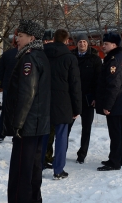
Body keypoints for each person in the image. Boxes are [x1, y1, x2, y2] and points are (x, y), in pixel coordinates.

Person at [3, 20, 51, 203]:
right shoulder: (40, 56)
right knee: (33, 170)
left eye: (21, 36)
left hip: (28, 126)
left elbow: (26, 94)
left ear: (31, 38)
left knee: (21, 172)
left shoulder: (29, 59)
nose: (17, 40)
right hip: (38, 124)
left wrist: (17, 124)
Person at [42, 28, 81, 180]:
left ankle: (40, 163)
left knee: (44, 134)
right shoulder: (69, 58)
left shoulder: (42, 54)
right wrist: (77, 107)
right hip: (63, 103)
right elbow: (75, 84)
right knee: (61, 136)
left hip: (44, 100)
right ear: (66, 41)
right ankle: (58, 169)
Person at [96, 32, 122, 171]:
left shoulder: (115, 60)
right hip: (117, 103)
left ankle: (115, 162)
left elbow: (114, 85)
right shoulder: (117, 57)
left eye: (106, 44)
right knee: (115, 133)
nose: (103, 46)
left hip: (115, 104)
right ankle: (114, 158)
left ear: (114, 45)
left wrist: (108, 105)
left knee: (115, 134)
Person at [68, 33, 102, 164]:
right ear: (76, 43)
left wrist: (95, 97)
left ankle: (82, 154)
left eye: (84, 42)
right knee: (67, 127)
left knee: (86, 129)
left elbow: (98, 80)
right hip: (72, 99)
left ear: (88, 43)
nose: (82, 44)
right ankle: (61, 152)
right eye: (80, 42)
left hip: (88, 99)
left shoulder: (94, 59)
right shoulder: (71, 57)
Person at [0, 42, 19, 143]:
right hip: (20, 87)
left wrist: (3, 83)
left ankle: (1, 134)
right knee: (19, 111)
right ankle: (16, 135)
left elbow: (1, 71)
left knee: (5, 111)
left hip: (7, 86)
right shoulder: (27, 54)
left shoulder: (7, 54)